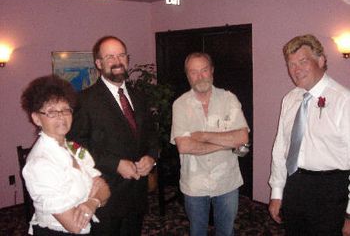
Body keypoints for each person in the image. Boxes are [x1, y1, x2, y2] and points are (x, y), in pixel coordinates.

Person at [67, 36, 158, 236]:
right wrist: (115, 163)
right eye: (109, 56)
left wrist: (151, 157)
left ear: (127, 58)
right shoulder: (84, 100)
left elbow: (151, 135)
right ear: (98, 63)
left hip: (137, 195)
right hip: (105, 196)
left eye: (121, 55)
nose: (117, 61)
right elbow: (74, 146)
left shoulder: (139, 96)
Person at [269, 34, 350, 235]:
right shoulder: (290, 99)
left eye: (303, 61)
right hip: (295, 184)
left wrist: (349, 214)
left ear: (321, 60)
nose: (296, 69)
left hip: (330, 190)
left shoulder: (343, 101)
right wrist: (277, 192)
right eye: (291, 64)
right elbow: (280, 148)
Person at [170, 52, 249, 236]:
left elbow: (243, 138)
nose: (200, 76)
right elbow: (185, 146)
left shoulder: (229, 99)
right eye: (193, 72)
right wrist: (226, 143)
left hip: (227, 182)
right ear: (187, 75)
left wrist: (203, 135)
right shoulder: (180, 105)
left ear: (212, 71)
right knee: (197, 231)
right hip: (194, 184)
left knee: (226, 232)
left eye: (204, 70)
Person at [20, 75, 110, 235]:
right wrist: (94, 199)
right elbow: (74, 225)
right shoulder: (40, 164)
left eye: (65, 109)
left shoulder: (72, 147)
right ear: (36, 118)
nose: (61, 116)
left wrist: (91, 202)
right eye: (52, 112)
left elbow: (105, 189)